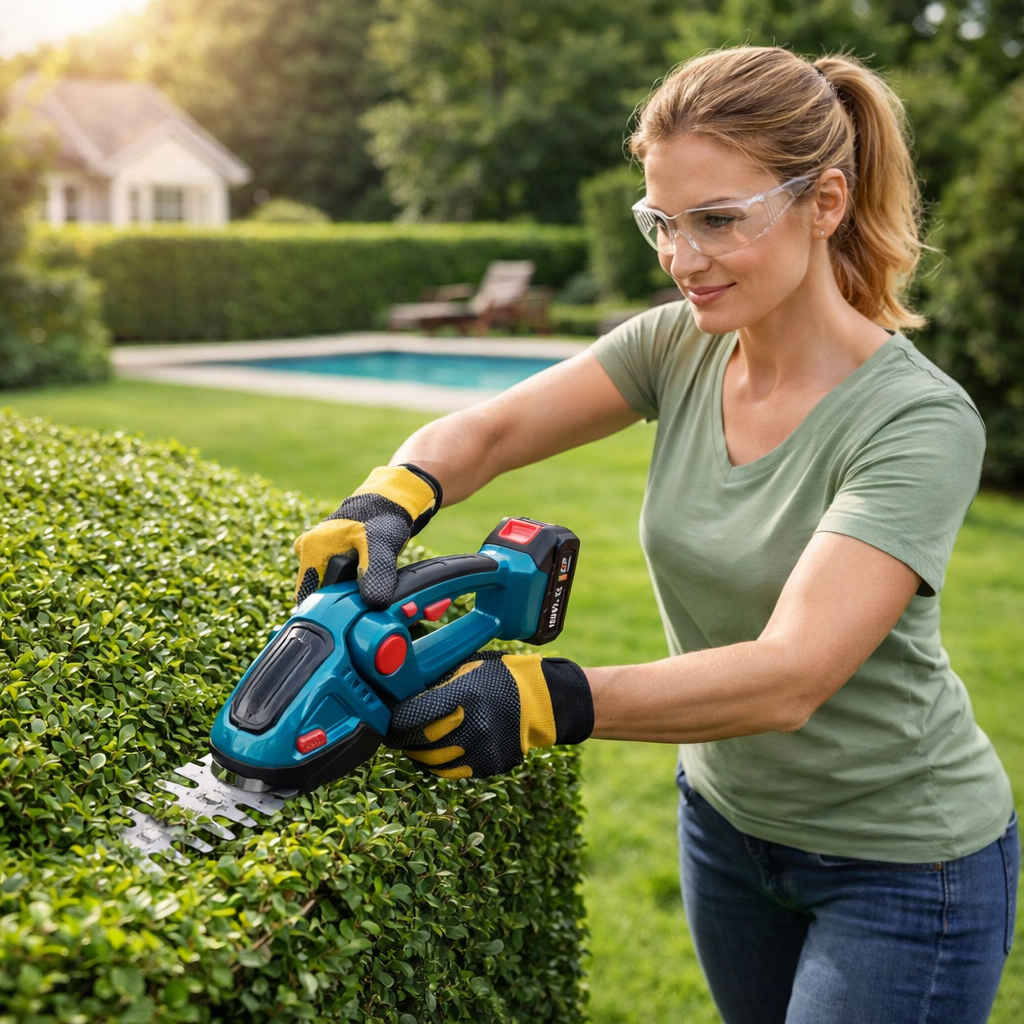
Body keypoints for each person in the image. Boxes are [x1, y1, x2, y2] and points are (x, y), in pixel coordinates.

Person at [293, 46, 1018, 1024]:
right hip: (723, 825)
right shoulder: (679, 343)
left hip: (900, 861)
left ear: (825, 202)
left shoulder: (915, 423)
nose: (682, 259)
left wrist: (545, 698)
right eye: (662, 224)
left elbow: (791, 674)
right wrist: (386, 498)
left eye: (717, 220)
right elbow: (491, 430)